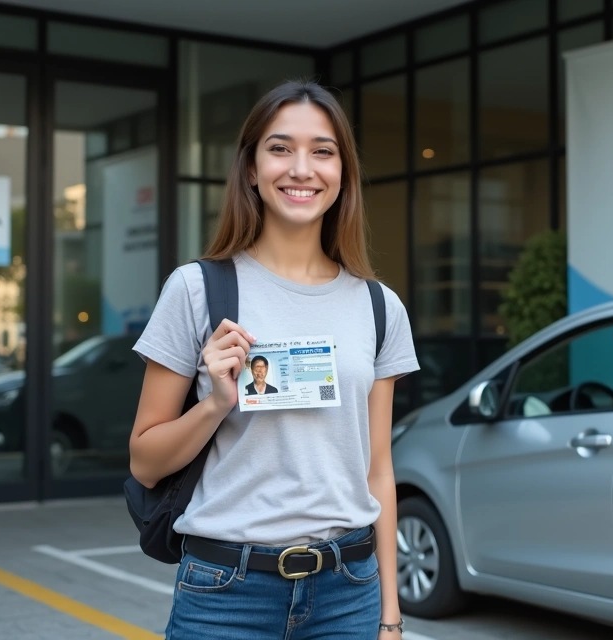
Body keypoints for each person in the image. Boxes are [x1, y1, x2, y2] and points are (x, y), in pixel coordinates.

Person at [128, 79, 419, 640]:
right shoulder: (197, 290)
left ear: (343, 174)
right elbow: (145, 463)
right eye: (280, 148)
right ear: (251, 171)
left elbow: (378, 470)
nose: (302, 169)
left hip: (347, 593)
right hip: (225, 594)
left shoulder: (381, 306)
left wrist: (389, 615)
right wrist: (215, 403)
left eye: (323, 151)